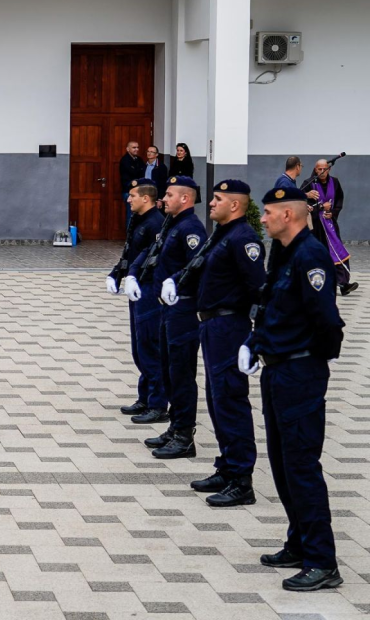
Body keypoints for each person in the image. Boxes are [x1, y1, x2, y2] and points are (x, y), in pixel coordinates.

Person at [241, 185, 345, 592]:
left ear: (289, 215)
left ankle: (322, 561)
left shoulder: (311, 254)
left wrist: (319, 358)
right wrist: (254, 344)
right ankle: (299, 542)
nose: (262, 219)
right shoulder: (282, 251)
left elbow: (327, 319)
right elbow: (269, 307)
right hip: (276, 370)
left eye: (268, 213)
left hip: (300, 373)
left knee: (302, 466)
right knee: (282, 465)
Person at [162, 180, 265, 507]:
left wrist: (256, 339)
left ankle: (241, 479)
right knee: (218, 398)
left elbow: (259, 290)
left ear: (234, 205)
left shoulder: (243, 238)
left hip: (229, 325)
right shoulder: (222, 234)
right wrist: (174, 281)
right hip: (211, 325)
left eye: (218, 199)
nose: (212, 203)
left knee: (230, 399)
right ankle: (227, 464)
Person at [124, 176, 206, 460]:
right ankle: (175, 426)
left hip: (183, 311)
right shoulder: (173, 224)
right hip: (167, 308)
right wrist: (130, 272)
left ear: (185, 198)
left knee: (182, 374)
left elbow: (196, 267)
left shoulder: (191, 228)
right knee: (169, 369)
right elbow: (150, 254)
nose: (164, 199)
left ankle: (184, 435)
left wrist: (174, 281)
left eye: (169, 195)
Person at [109, 179, 166, 425]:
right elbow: (129, 252)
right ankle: (145, 397)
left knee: (150, 346)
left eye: (132, 195)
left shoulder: (156, 223)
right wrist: (116, 273)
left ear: (146, 198)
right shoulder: (139, 220)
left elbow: (152, 258)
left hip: (149, 290)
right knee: (139, 346)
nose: (128, 199)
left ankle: (157, 404)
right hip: (137, 288)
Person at [305, 159, 357, 295]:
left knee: (338, 251)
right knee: (322, 255)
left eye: (325, 169)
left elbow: (339, 200)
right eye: (319, 169)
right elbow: (302, 204)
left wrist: (332, 213)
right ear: (315, 169)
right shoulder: (309, 184)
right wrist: (318, 206)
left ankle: (343, 283)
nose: (322, 172)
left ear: (329, 169)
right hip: (316, 227)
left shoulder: (335, 182)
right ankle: (322, 283)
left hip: (330, 225)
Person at [119, 140, 145, 224]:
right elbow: (133, 173)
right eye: (134, 147)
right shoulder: (125, 160)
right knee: (131, 215)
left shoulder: (139, 159)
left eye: (137, 147)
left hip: (139, 190)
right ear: (128, 149)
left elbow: (142, 172)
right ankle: (129, 236)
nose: (136, 149)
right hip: (129, 191)